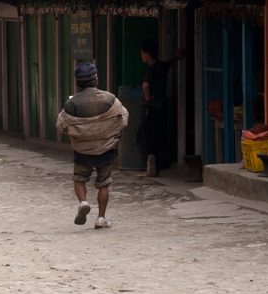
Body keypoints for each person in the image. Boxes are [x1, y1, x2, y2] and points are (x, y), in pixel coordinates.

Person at [57, 61, 128, 229]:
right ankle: (101, 218)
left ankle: (83, 202)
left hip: (83, 150)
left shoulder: (72, 104)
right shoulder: (110, 99)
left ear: (77, 82)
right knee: (104, 183)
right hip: (106, 148)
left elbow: (62, 125)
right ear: (95, 79)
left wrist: (81, 133)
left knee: (79, 179)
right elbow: (123, 118)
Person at [136, 46, 181, 177]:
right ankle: (160, 163)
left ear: (148, 54)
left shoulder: (151, 70)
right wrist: (177, 56)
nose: (142, 56)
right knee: (159, 134)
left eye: (142, 53)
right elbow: (170, 62)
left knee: (144, 136)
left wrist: (148, 97)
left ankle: (149, 165)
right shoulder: (162, 66)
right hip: (162, 105)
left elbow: (145, 86)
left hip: (152, 107)